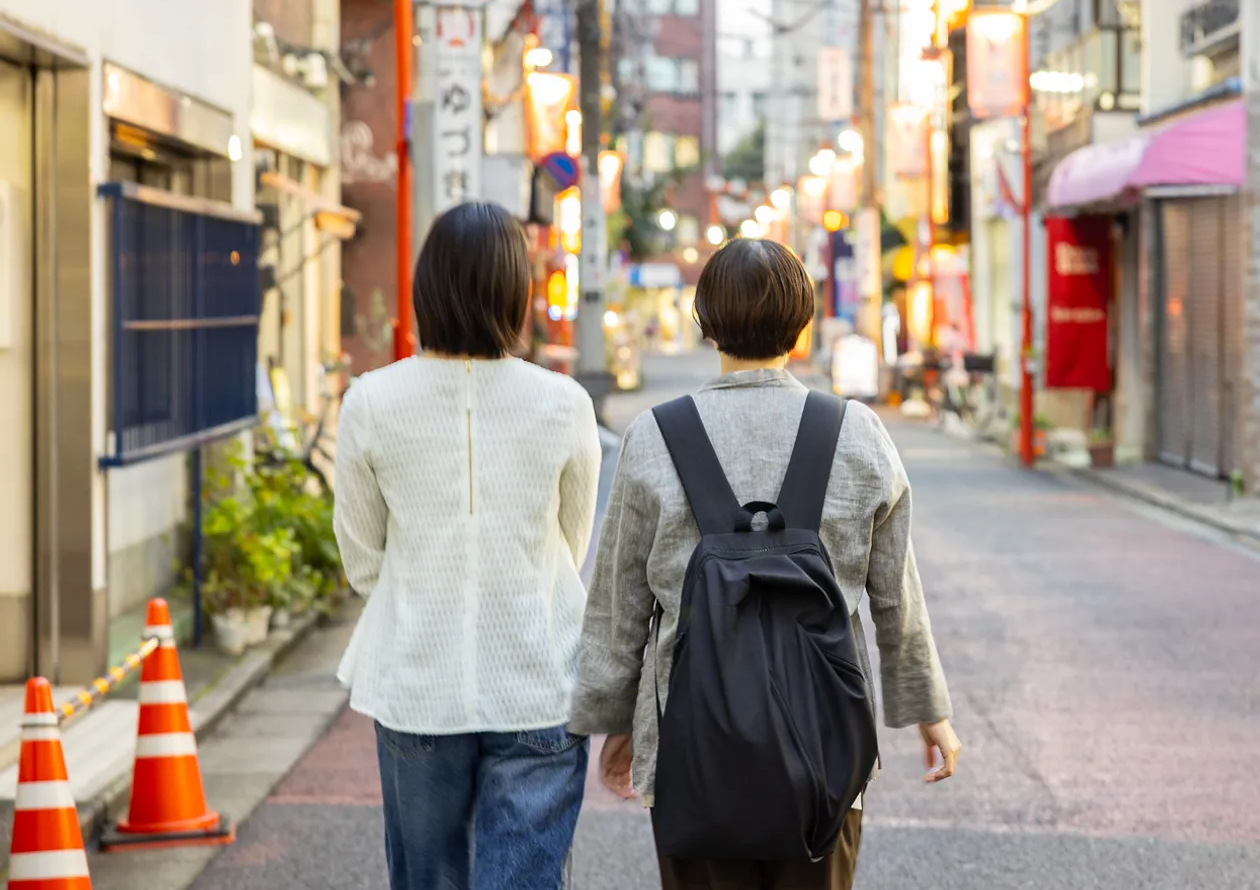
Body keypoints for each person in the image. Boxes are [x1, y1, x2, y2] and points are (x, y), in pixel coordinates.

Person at [570, 238, 960, 890]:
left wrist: (611, 724)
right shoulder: (855, 431)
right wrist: (929, 712)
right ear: (801, 323)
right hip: (827, 749)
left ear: (705, 322)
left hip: (689, 750)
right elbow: (896, 595)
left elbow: (618, 605)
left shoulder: (656, 437)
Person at [333, 202, 602, 890]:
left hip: (416, 680)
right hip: (539, 676)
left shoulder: (369, 400)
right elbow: (570, 545)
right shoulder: (563, 402)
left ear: (428, 288)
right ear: (517, 291)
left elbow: (362, 558)